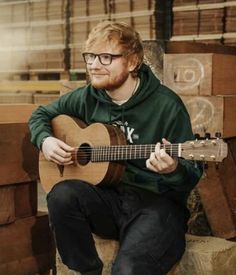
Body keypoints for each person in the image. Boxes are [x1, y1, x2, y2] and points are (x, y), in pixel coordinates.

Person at [29, 21, 203, 275]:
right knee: (61, 194)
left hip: (156, 206)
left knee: (128, 270)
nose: (93, 65)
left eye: (106, 57)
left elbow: (192, 173)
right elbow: (40, 115)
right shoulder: (87, 97)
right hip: (107, 199)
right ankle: (87, 270)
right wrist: (45, 140)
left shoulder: (166, 106)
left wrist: (173, 168)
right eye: (90, 56)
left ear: (132, 62)